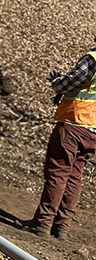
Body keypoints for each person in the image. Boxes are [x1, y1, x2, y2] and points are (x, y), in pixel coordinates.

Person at [25, 44, 96, 240]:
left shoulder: (93, 59)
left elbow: (66, 84)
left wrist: (57, 82)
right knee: (75, 176)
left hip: (74, 124)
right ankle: (62, 226)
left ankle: (43, 223)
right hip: (93, 131)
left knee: (58, 172)